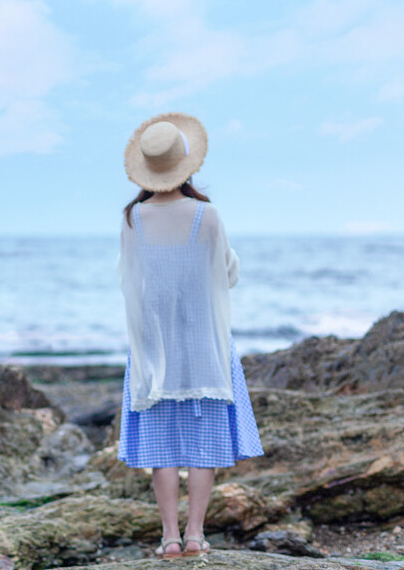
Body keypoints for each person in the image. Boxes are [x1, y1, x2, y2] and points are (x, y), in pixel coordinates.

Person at [117, 113, 263, 559]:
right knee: (203, 445)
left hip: (153, 344)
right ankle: (196, 534)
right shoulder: (207, 215)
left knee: (162, 447)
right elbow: (227, 273)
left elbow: (129, 280)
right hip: (203, 340)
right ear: (187, 166)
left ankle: (169, 537)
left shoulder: (134, 218)